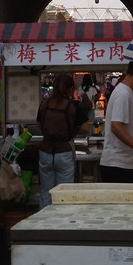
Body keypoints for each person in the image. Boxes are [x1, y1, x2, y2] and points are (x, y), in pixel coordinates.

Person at [36, 73, 87, 207]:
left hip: (45, 151)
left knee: (46, 192)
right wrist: (72, 131)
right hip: (64, 151)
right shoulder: (73, 105)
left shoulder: (45, 104)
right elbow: (85, 128)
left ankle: (44, 218)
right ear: (70, 89)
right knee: (64, 194)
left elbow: (39, 125)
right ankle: (61, 218)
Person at [99, 60, 133, 184]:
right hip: (117, 165)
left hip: (124, 163)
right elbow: (116, 126)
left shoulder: (127, 92)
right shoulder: (123, 94)